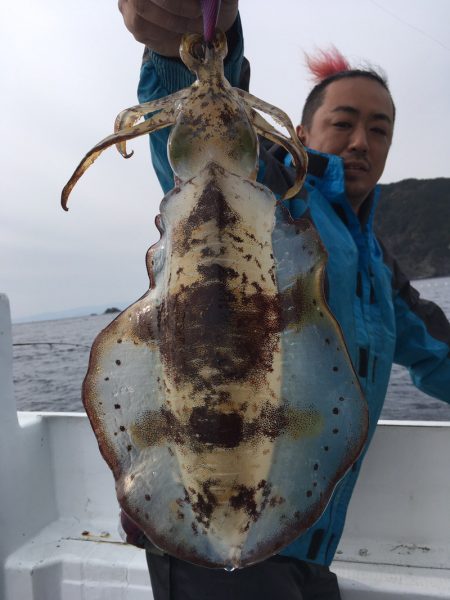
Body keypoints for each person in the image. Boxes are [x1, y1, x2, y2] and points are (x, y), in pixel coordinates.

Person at [118, 2, 450, 598]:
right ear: (298, 135)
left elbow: (437, 353)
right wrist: (188, 44)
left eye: (380, 130)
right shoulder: (270, 195)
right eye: (343, 122)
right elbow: (206, 148)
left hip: (308, 540)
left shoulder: (377, 263)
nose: (360, 141)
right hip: (208, 532)